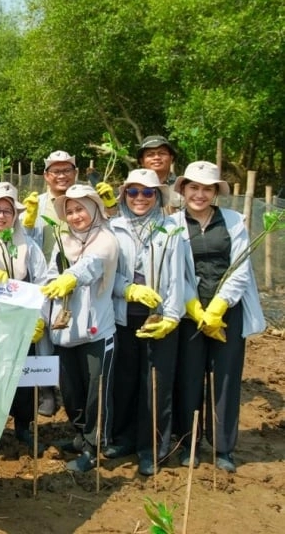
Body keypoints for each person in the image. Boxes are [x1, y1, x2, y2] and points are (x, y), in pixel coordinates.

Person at [172, 161, 264, 473]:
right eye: (193, 187)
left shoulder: (235, 221)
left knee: (225, 377)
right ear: (183, 190)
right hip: (190, 315)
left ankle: (224, 447)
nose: (199, 194)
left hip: (227, 312)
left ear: (215, 192)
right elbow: (175, 274)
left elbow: (240, 269)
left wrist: (219, 307)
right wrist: (195, 308)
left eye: (206, 188)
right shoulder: (172, 224)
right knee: (189, 377)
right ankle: (189, 442)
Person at [107, 169, 188, 474]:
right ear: (124, 195)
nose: (140, 198)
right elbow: (107, 277)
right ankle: (124, 438)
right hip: (122, 317)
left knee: (155, 385)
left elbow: (178, 279)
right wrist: (126, 289)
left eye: (148, 193)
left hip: (158, 319)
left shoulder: (170, 230)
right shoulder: (113, 228)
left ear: (158, 197)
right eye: (133, 192)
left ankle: (151, 447)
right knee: (125, 381)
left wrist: (171, 315)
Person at [40, 184, 119, 473]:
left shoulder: (106, 239)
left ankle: (93, 446)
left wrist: (70, 278)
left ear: (95, 209)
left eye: (80, 209)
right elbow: (50, 274)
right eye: (69, 211)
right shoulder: (63, 240)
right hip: (64, 330)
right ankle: (78, 434)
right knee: (71, 391)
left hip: (97, 330)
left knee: (96, 392)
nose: (75, 216)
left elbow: (91, 266)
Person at [0, 182, 49, 457]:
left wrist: (38, 318)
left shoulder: (27, 245)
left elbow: (43, 281)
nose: (1, 215)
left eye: (7, 210)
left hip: (22, 324)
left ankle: (23, 426)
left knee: (24, 378)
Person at [22, 150, 79, 416]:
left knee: (69, 331)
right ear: (46, 175)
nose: (61, 175)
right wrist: (29, 219)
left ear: (74, 173)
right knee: (43, 332)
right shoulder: (38, 202)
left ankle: (70, 387)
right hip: (45, 275)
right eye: (55, 171)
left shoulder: (82, 200)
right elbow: (25, 239)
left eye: (66, 170)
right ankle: (46, 391)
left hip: (76, 274)